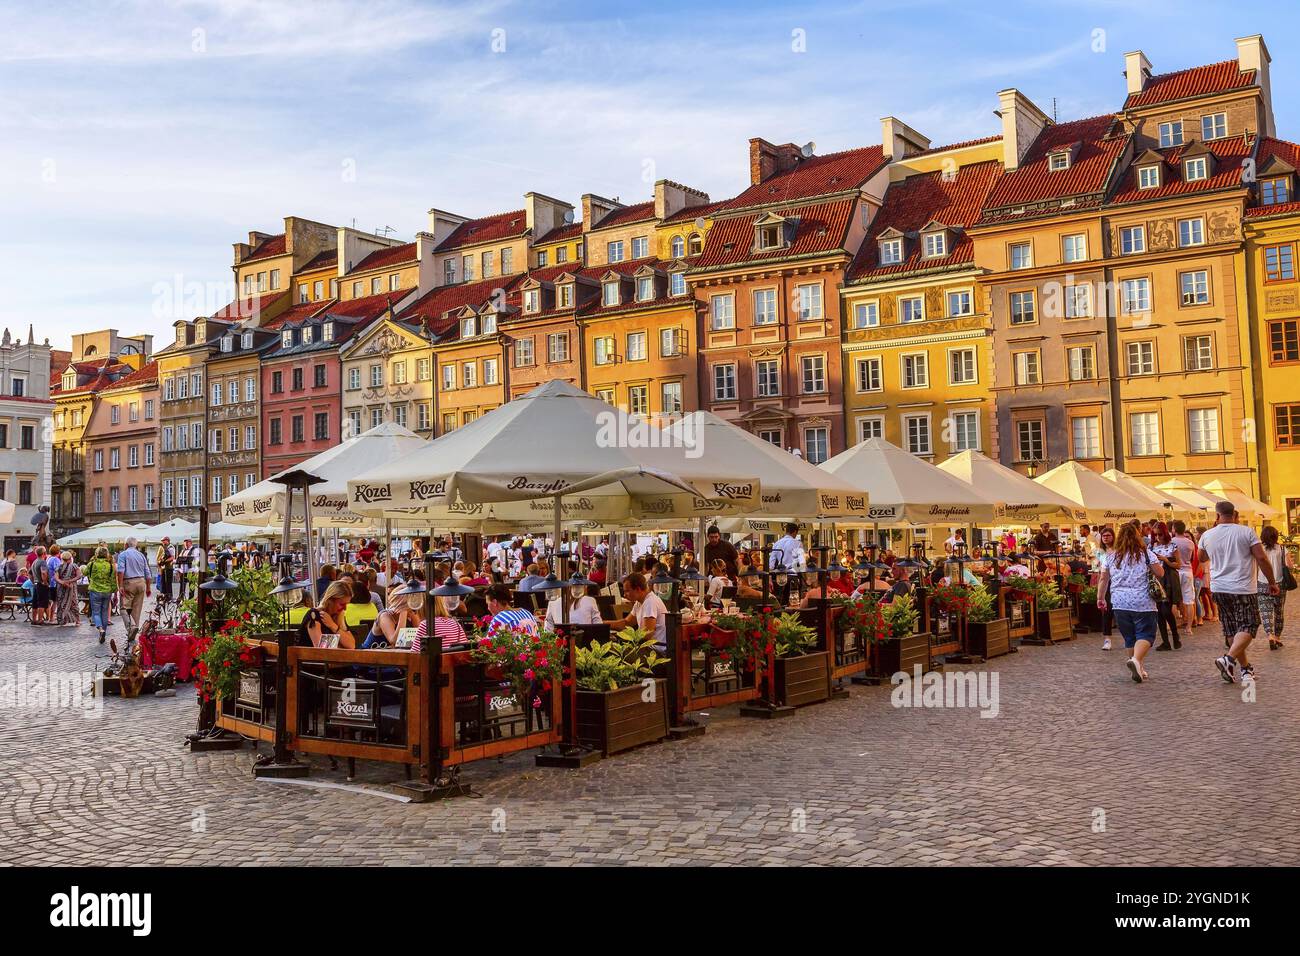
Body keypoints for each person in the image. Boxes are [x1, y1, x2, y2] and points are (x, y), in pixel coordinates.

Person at [1200, 501, 1277, 685]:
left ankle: (1245, 669)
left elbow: (1202, 558)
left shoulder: (1207, 535)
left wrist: (1212, 538)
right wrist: (1272, 582)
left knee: (1232, 629)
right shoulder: (1246, 532)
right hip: (1242, 587)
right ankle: (1228, 659)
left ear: (1217, 516)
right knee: (1250, 625)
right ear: (1235, 515)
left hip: (1219, 587)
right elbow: (1261, 557)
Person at [1096, 522, 1164, 683]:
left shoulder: (1110, 556)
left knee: (1129, 637)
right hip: (1143, 601)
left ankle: (1139, 667)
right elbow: (1160, 573)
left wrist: (1100, 598)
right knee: (1146, 634)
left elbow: (1103, 579)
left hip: (1119, 602)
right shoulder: (1146, 554)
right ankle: (1136, 661)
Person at [608, 572, 667, 651]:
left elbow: (647, 634)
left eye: (627, 591)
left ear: (638, 589)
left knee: (611, 650)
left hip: (654, 652)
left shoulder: (650, 602)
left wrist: (623, 636)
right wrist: (603, 624)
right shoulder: (639, 602)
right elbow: (627, 623)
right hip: (646, 648)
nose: (624, 595)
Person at [1258, 526, 1292, 650]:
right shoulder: (1282, 549)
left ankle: (1270, 635)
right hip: (1280, 583)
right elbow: (1290, 565)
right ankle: (1277, 637)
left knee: (1265, 611)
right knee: (1279, 611)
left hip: (1262, 583)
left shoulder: (1259, 549)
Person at [1150, 528, 1183, 651]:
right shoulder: (1151, 546)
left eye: (1160, 534)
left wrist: (1166, 560)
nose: (1158, 537)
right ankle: (1165, 641)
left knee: (1166, 610)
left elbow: (1179, 565)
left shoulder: (1173, 546)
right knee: (1159, 611)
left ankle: (1175, 635)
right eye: (1156, 534)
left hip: (1169, 578)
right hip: (1157, 579)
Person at [297, 581, 355, 649]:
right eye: (341, 604)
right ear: (330, 600)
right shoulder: (314, 615)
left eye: (346, 604)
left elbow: (351, 645)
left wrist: (333, 626)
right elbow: (321, 648)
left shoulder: (338, 616)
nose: (345, 608)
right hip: (309, 658)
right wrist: (341, 645)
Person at [115, 537, 151, 640]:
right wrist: (148, 587)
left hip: (129, 582)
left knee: (123, 608)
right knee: (136, 609)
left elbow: (120, 571)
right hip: (141, 582)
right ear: (136, 545)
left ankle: (131, 627)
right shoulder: (141, 555)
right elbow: (147, 572)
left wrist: (120, 585)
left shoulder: (123, 554)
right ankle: (133, 631)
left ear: (126, 544)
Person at [1170, 521, 1198, 629]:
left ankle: (1172, 625)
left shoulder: (1172, 542)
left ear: (1174, 529)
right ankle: (1189, 627)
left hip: (1176, 571)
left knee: (1173, 600)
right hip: (1187, 571)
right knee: (1189, 600)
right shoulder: (1190, 543)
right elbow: (1193, 558)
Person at [86, 546, 115, 643]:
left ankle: (100, 629)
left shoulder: (92, 564)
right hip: (107, 591)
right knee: (105, 612)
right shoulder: (110, 565)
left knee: (96, 612)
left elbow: (85, 572)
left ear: (96, 554)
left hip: (95, 590)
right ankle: (104, 633)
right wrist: (115, 590)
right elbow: (113, 580)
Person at [54, 548, 81, 627]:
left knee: (61, 603)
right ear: (70, 558)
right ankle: (77, 620)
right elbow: (79, 576)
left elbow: (56, 577)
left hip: (61, 587)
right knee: (73, 603)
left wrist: (62, 582)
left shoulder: (59, 566)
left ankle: (62, 620)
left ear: (62, 558)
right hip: (71, 587)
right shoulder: (74, 566)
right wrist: (70, 581)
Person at [155, 537, 175, 601]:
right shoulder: (164, 547)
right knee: (163, 582)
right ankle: (164, 596)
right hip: (164, 568)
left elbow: (172, 557)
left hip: (169, 568)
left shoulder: (171, 547)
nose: (162, 542)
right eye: (162, 541)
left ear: (167, 541)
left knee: (168, 583)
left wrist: (164, 561)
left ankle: (169, 596)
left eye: (164, 541)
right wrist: (160, 561)